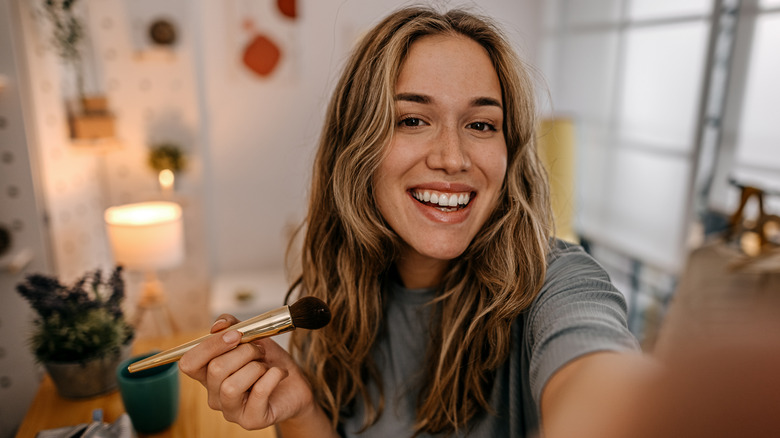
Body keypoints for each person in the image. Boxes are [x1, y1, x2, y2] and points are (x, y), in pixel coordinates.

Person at [179, 6, 652, 437]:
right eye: (412, 120)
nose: (452, 158)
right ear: (356, 145)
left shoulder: (557, 283)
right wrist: (300, 412)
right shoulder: (337, 291)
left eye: (482, 125)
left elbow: (598, 375)